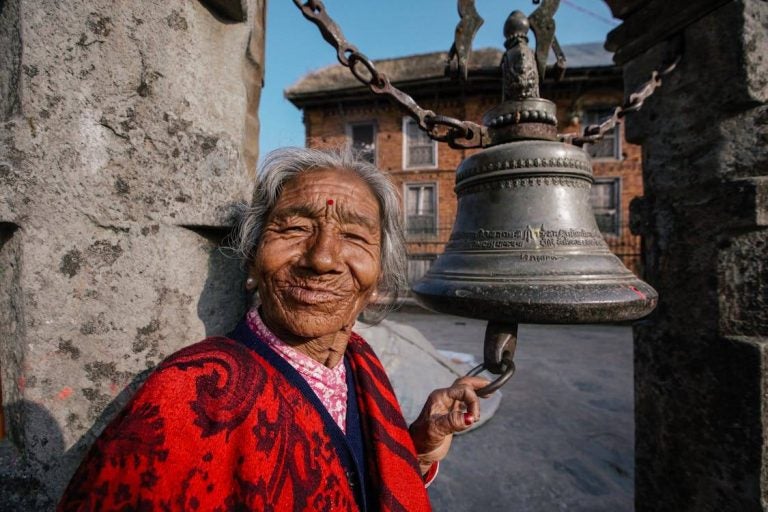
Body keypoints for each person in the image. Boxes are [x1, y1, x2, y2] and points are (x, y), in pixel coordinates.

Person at [58, 147, 488, 511]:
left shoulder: (360, 360)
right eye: (295, 228)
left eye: (355, 237)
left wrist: (422, 443)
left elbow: (355, 480)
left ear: (377, 277)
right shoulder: (193, 393)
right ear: (252, 258)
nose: (321, 259)